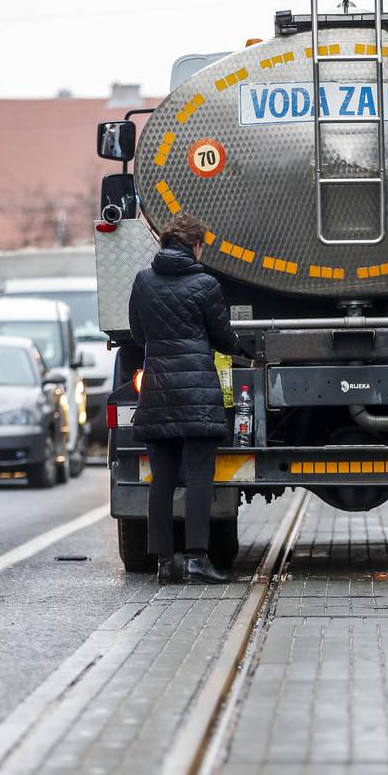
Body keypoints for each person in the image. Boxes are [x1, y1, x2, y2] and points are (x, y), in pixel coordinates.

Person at [128, 213, 244, 585]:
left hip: (158, 387)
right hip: (196, 391)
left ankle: (165, 563)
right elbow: (224, 339)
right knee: (198, 477)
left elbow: (137, 332)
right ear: (195, 246)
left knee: (161, 479)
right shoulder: (205, 284)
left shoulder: (143, 282)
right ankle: (196, 559)